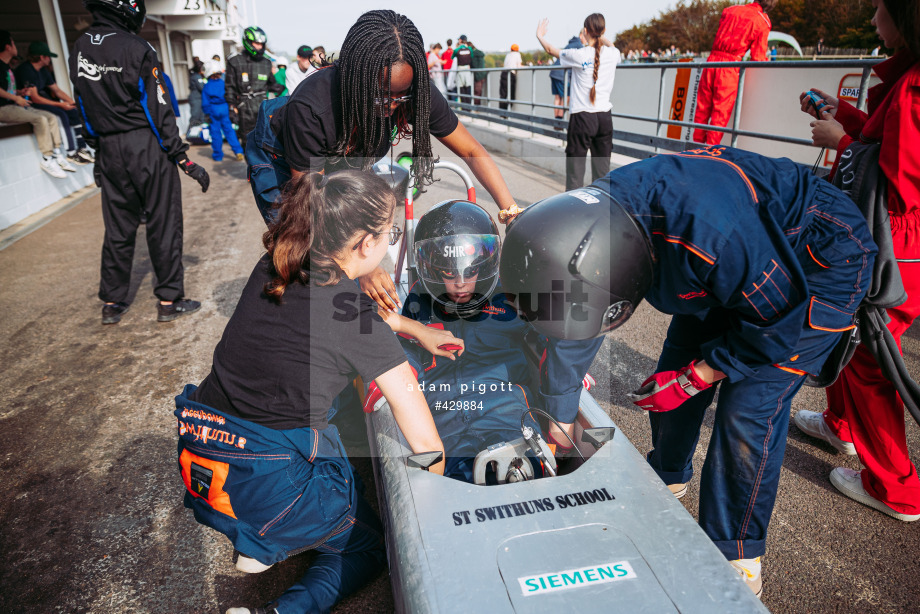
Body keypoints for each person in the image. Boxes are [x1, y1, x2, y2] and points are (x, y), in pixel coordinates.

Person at [499, 145, 878, 598]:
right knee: (676, 363)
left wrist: (699, 375)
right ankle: (668, 475)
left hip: (816, 259)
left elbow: (776, 327)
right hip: (733, 258)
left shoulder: (710, 237)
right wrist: (559, 418)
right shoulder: (594, 229)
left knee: (749, 409)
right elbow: (578, 318)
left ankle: (736, 553)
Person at [176, 170, 449, 614]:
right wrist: (434, 516)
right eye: (390, 234)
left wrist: (415, 329)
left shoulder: (277, 265)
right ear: (366, 244)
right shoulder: (355, 317)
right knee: (365, 546)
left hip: (201, 453)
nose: (389, 243)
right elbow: (425, 442)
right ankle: (276, 573)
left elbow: (341, 324)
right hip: (264, 482)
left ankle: (264, 536)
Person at [248, 9, 519, 312]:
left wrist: (511, 212)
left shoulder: (413, 90)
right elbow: (312, 202)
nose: (392, 106)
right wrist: (362, 266)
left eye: (401, 97)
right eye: (381, 97)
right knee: (304, 252)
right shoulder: (311, 108)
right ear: (356, 82)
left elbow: (470, 150)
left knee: (352, 256)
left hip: (342, 156)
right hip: (281, 157)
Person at [794, 0, 920, 522]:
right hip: (889, 237)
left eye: (878, 9)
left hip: (895, 244)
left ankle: (897, 489)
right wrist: (843, 116)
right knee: (849, 329)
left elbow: (904, 184)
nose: (872, 20)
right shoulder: (909, 77)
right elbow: (888, 144)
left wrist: (841, 144)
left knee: (869, 355)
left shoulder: (914, 86)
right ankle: (842, 427)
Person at [392, 200, 603, 482]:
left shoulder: (511, 295)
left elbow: (563, 334)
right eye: (447, 273)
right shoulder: (420, 299)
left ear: (486, 263)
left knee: (526, 469)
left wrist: (569, 376)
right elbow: (406, 354)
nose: (460, 284)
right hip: (440, 409)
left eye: (470, 271)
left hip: (505, 403)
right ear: (431, 267)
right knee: (454, 480)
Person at [70, 0, 209, 325]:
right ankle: (169, 299)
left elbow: (83, 103)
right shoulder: (137, 47)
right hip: (145, 146)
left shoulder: (79, 48)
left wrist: (97, 149)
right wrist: (182, 157)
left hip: (108, 147)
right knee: (163, 223)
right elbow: (157, 107)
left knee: (118, 228)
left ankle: (113, 302)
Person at [536, 14, 621, 190]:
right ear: (603, 31)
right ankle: (601, 212)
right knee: (603, 174)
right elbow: (611, 45)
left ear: (585, 31)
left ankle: (574, 211)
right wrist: (601, 35)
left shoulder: (579, 55)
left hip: (582, 118)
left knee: (575, 174)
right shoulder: (613, 54)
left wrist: (540, 36)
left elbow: (551, 50)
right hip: (605, 118)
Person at [692, 0, 775, 145]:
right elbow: (758, 57)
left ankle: (694, 149)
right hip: (730, 67)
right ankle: (707, 155)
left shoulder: (729, 11)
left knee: (701, 111)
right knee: (719, 116)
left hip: (711, 62)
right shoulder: (762, 21)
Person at [0, 31, 74, 178]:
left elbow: (7, 90)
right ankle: (47, 158)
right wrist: (16, 99)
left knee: (51, 117)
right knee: (40, 119)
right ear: (8, 46)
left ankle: (57, 155)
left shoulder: (7, 67)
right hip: (3, 108)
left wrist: (20, 93)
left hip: (12, 105)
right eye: (13, 43)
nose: (15, 46)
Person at [14, 41, 95, 167]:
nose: (50, 60)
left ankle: (81, 149)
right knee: (61, 114)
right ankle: (71, 152)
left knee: (73, 111)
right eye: (48, 57)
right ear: (42, 57)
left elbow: (57, 91)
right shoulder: (26, 69)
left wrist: (72, 103)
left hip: (41, 101)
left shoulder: (43, 70)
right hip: (29, 104)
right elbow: (35, 98)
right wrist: (60, 105)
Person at [224, 26, 283, 148]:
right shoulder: (234, 61)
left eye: (262, 44)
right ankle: (252, 166)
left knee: (268, 141)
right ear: (249, 42)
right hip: (244, 109)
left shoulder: (266, 62)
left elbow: (273, 84)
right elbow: (230, 87)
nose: (260, 47)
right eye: (257, 43)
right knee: (248, 143)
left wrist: (284, 91)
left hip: (263, 108)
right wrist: (231, 108)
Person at [201, 63, 244, 162]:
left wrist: (207, 113)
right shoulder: (224, 83)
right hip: (225, 108)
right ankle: (238, 152)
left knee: (215, 133)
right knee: (229, 131)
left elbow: (205, 102)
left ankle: (218, 155)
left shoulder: (207, 86)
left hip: (213, 109)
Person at [549, 35, 582, 128]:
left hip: (554, 72)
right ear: (582, 35)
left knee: (557, 98)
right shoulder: (579, 46)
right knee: (566, 97)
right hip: (562, 74)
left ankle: (557, 120)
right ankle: (559, 122)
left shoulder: (570, 44)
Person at [499, 43, 522, 111]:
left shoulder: (508, 55)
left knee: (503, 94)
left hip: (504, 74)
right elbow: (519, 66)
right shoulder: (517, 54)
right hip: (511, 75)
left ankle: (501, 112)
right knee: (511, 95)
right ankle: (507, 111)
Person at [187, 59, 208, 132]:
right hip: (196, 99)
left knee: (202, 117)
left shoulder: (201, 76)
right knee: (195, 116)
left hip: (200, 99)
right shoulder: (196, 76)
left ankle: (200, 134)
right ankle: (190, 133)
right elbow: (202, 87)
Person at [452, 35, 473, 104]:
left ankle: (463, 106)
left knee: (461, 88)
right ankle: (469, 105)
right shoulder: (469, 49)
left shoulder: (457, 49)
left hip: (460, 70)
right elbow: (472, 57)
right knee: (468, 87)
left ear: (460, 40)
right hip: (467, 69)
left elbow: (452, 57)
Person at [470, 41, 487, 105]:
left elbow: (474, 65)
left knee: (477, 91)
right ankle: (477, 106)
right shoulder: (479, 53)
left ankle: (477, 107)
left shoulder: (474, 54)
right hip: (482, 74)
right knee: (479, 91)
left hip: (478, 75)